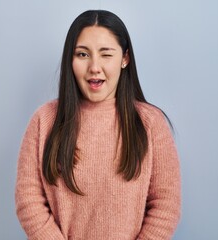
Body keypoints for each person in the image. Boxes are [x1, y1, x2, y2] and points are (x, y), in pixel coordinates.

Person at [15, 10, 181, 240]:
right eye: (82, 54)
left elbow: (166, 204)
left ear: (125, 59)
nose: (94, 66)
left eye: (106, 54)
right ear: (70, 60)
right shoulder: (44, 120)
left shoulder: (150, 123)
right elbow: (28, 200)